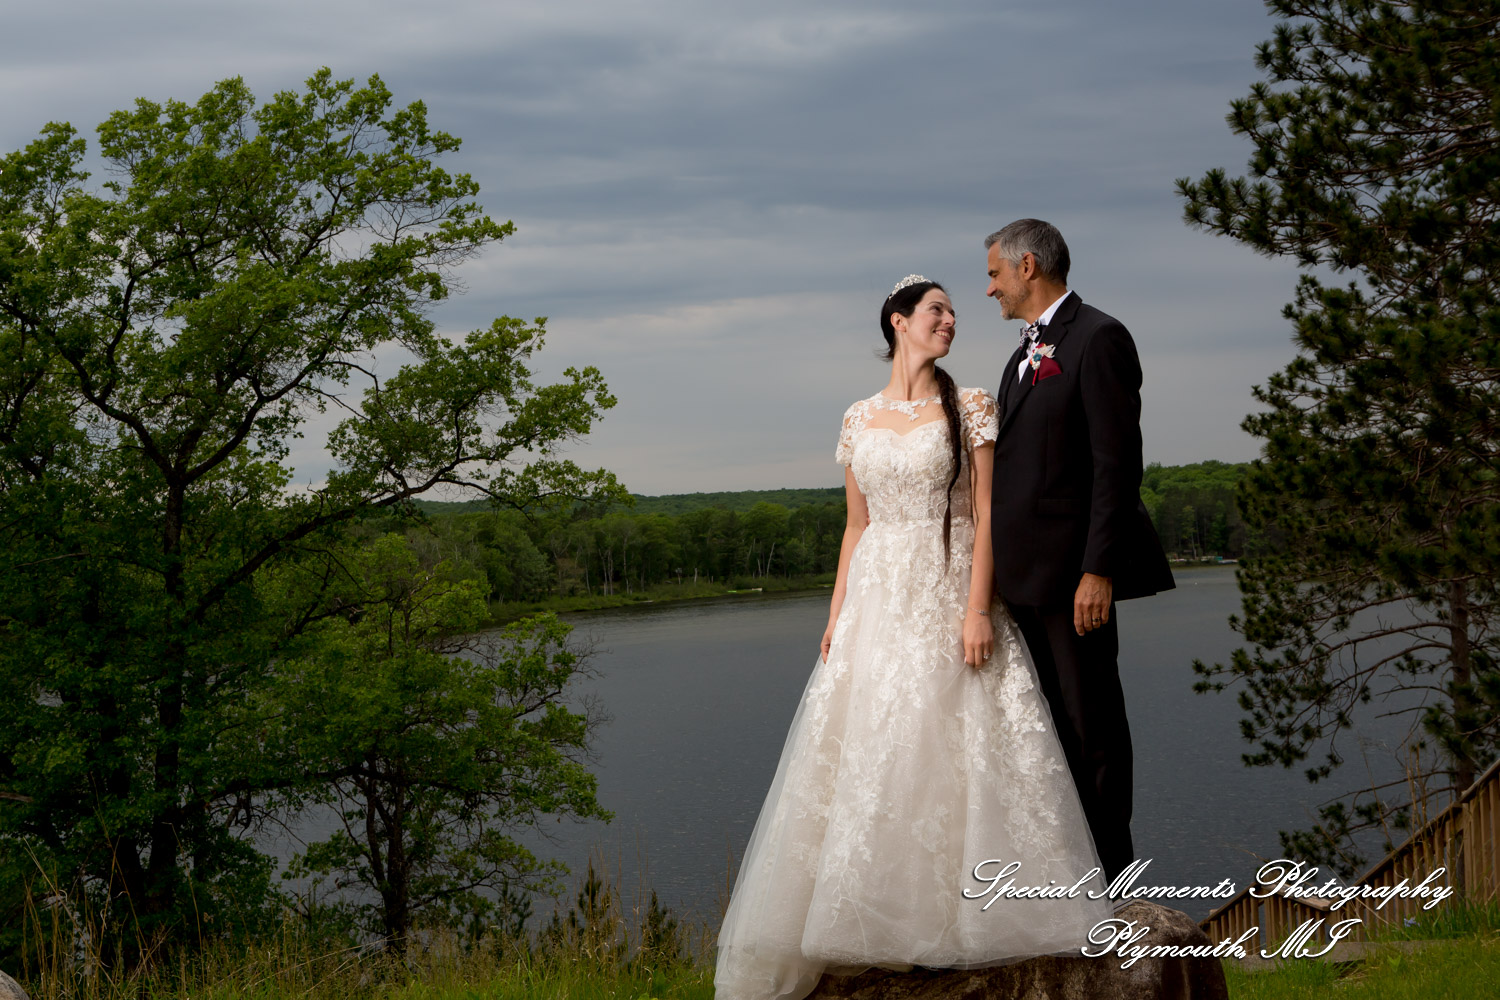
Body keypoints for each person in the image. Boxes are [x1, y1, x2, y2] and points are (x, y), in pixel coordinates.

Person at [714, 276, 1110, 1000]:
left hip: (948, 585)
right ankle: (878, 919)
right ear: (899, 322)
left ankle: (972, 918)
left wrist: (976, 608)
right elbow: (856, 526)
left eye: (956, 312)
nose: (952, 321)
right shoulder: (858, 417)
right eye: (938, 311)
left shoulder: (970, 408)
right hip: (876, 597)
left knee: (955, 745)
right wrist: (835, 616)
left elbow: (987, 514)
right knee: (875, 751)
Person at [984, 219, 1175, 885]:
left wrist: (1099, 569)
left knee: (1093, 728)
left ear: (1028, 266)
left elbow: (1115, 465)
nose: (990, 290)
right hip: (1025, 584)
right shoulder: (1021, 356)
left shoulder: (1099, 338)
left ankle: (1117, 884)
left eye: (995, 275)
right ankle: (1077, 876)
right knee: (1054, 733)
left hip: (1074, 581)